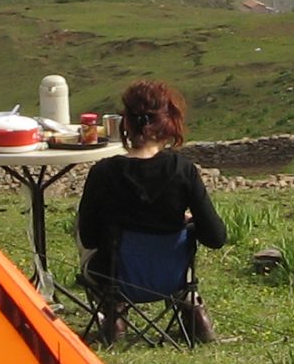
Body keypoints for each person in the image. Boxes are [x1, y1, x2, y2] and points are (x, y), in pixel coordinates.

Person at [74, 79, 227, 342]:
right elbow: (216, 238)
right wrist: (186, 223)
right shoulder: (183, 170)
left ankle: (114, 311)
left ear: (127, 124)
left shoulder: (103, 172)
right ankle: (193, 310)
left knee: (83, 230)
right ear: (169, 122)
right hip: (172, 279)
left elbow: (88, 237)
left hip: (115, 277)